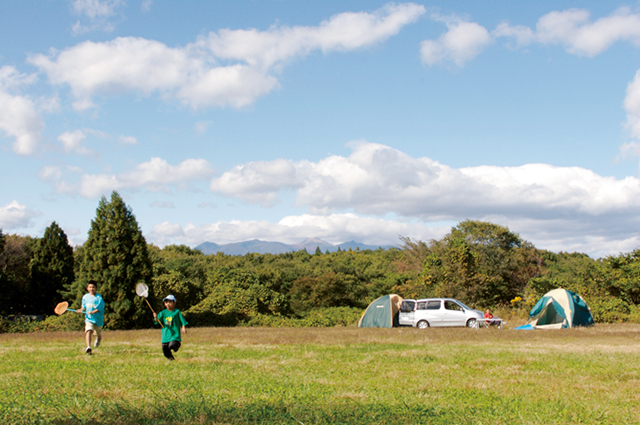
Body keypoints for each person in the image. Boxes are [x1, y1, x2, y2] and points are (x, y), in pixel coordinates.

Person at [153, 295, 188, 360]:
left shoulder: (177, 311)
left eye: (170, 302)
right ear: (164, 304)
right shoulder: (163, 312)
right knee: (165, 349)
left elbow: (182, 320)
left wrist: (183, 327)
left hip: (174, 335)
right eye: (166, 302)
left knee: (172, 345)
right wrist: (155, 317)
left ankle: (177, 345)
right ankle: (171, 360)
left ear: (174, 303)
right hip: (165, 335)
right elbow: (156, 322)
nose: (168, 303)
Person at [76, 281, 105, 355]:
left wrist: (93, 312)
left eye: (93, 287)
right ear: (87, 288)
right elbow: (83, 306)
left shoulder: (99, 298)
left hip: (97, 319)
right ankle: (88, 347)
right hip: (89, 319)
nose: (91, 288)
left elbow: (99, 308)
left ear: (96, 288)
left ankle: (99, 337)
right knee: (88, 330)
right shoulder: (85, 297)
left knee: (97, 332)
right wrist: (81, 310)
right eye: (90, 287)